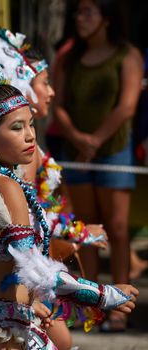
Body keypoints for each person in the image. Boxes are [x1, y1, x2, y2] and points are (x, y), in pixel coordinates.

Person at [0, 32, 138, 349]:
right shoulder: (5, 187)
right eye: (17, 128)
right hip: (2, 329)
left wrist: (27, 302)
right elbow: (35, 268)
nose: (30, 136)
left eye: (31, 125)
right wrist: (105, 294)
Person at [53, 0, 143, 331]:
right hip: (77, 152)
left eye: (88, 11)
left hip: (114, 151)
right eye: (78, 12)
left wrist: (94, 142)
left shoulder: (127, 54)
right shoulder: (71, 56)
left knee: (117, 230)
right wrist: (78, 138)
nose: (80, 18)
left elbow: (127, 105)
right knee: (87, 231)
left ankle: (121, 305)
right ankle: (91, 303)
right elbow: (58, 104)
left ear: (106, 17)